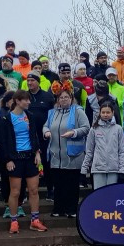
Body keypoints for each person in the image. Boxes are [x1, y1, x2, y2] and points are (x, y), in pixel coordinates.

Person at [0, 89, 47, 233]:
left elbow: (34, 135)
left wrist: (37, 153)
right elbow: (4, 141)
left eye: (29, 100)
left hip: (30, 157)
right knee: (15, 191)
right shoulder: (7, 119)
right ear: (18, 101)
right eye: (26, 100)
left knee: (34, 190)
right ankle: (14, 221)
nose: (29, 102)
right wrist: (8, 160)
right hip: (15, 158)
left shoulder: (30, 116)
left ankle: (35, 220)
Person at [43, 86, 89, 217]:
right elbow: (46, 125)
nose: (63, 100)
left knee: (71, 184)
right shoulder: (52, 113)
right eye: (61, 97)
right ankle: (58, 209)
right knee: (58, 184)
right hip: (56, 154)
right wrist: (45, 131)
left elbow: (86, 128)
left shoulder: (78, 111)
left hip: (72, 155)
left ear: (71, 98)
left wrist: (74, 132)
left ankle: (72, 209)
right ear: (57, 99)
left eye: (66, 97)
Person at [81, 100, 124, 188]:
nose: (105, 115)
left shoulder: (118, 129)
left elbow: (122, 151)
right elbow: (89, 151)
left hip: (113, 169)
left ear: (113, 113)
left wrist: (122, 170)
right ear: (100, 113)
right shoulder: (94, 129)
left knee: (111, 196)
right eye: (103, 112)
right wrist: (84, 169)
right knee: (99, 196)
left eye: (108, 112)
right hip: (98, 169)